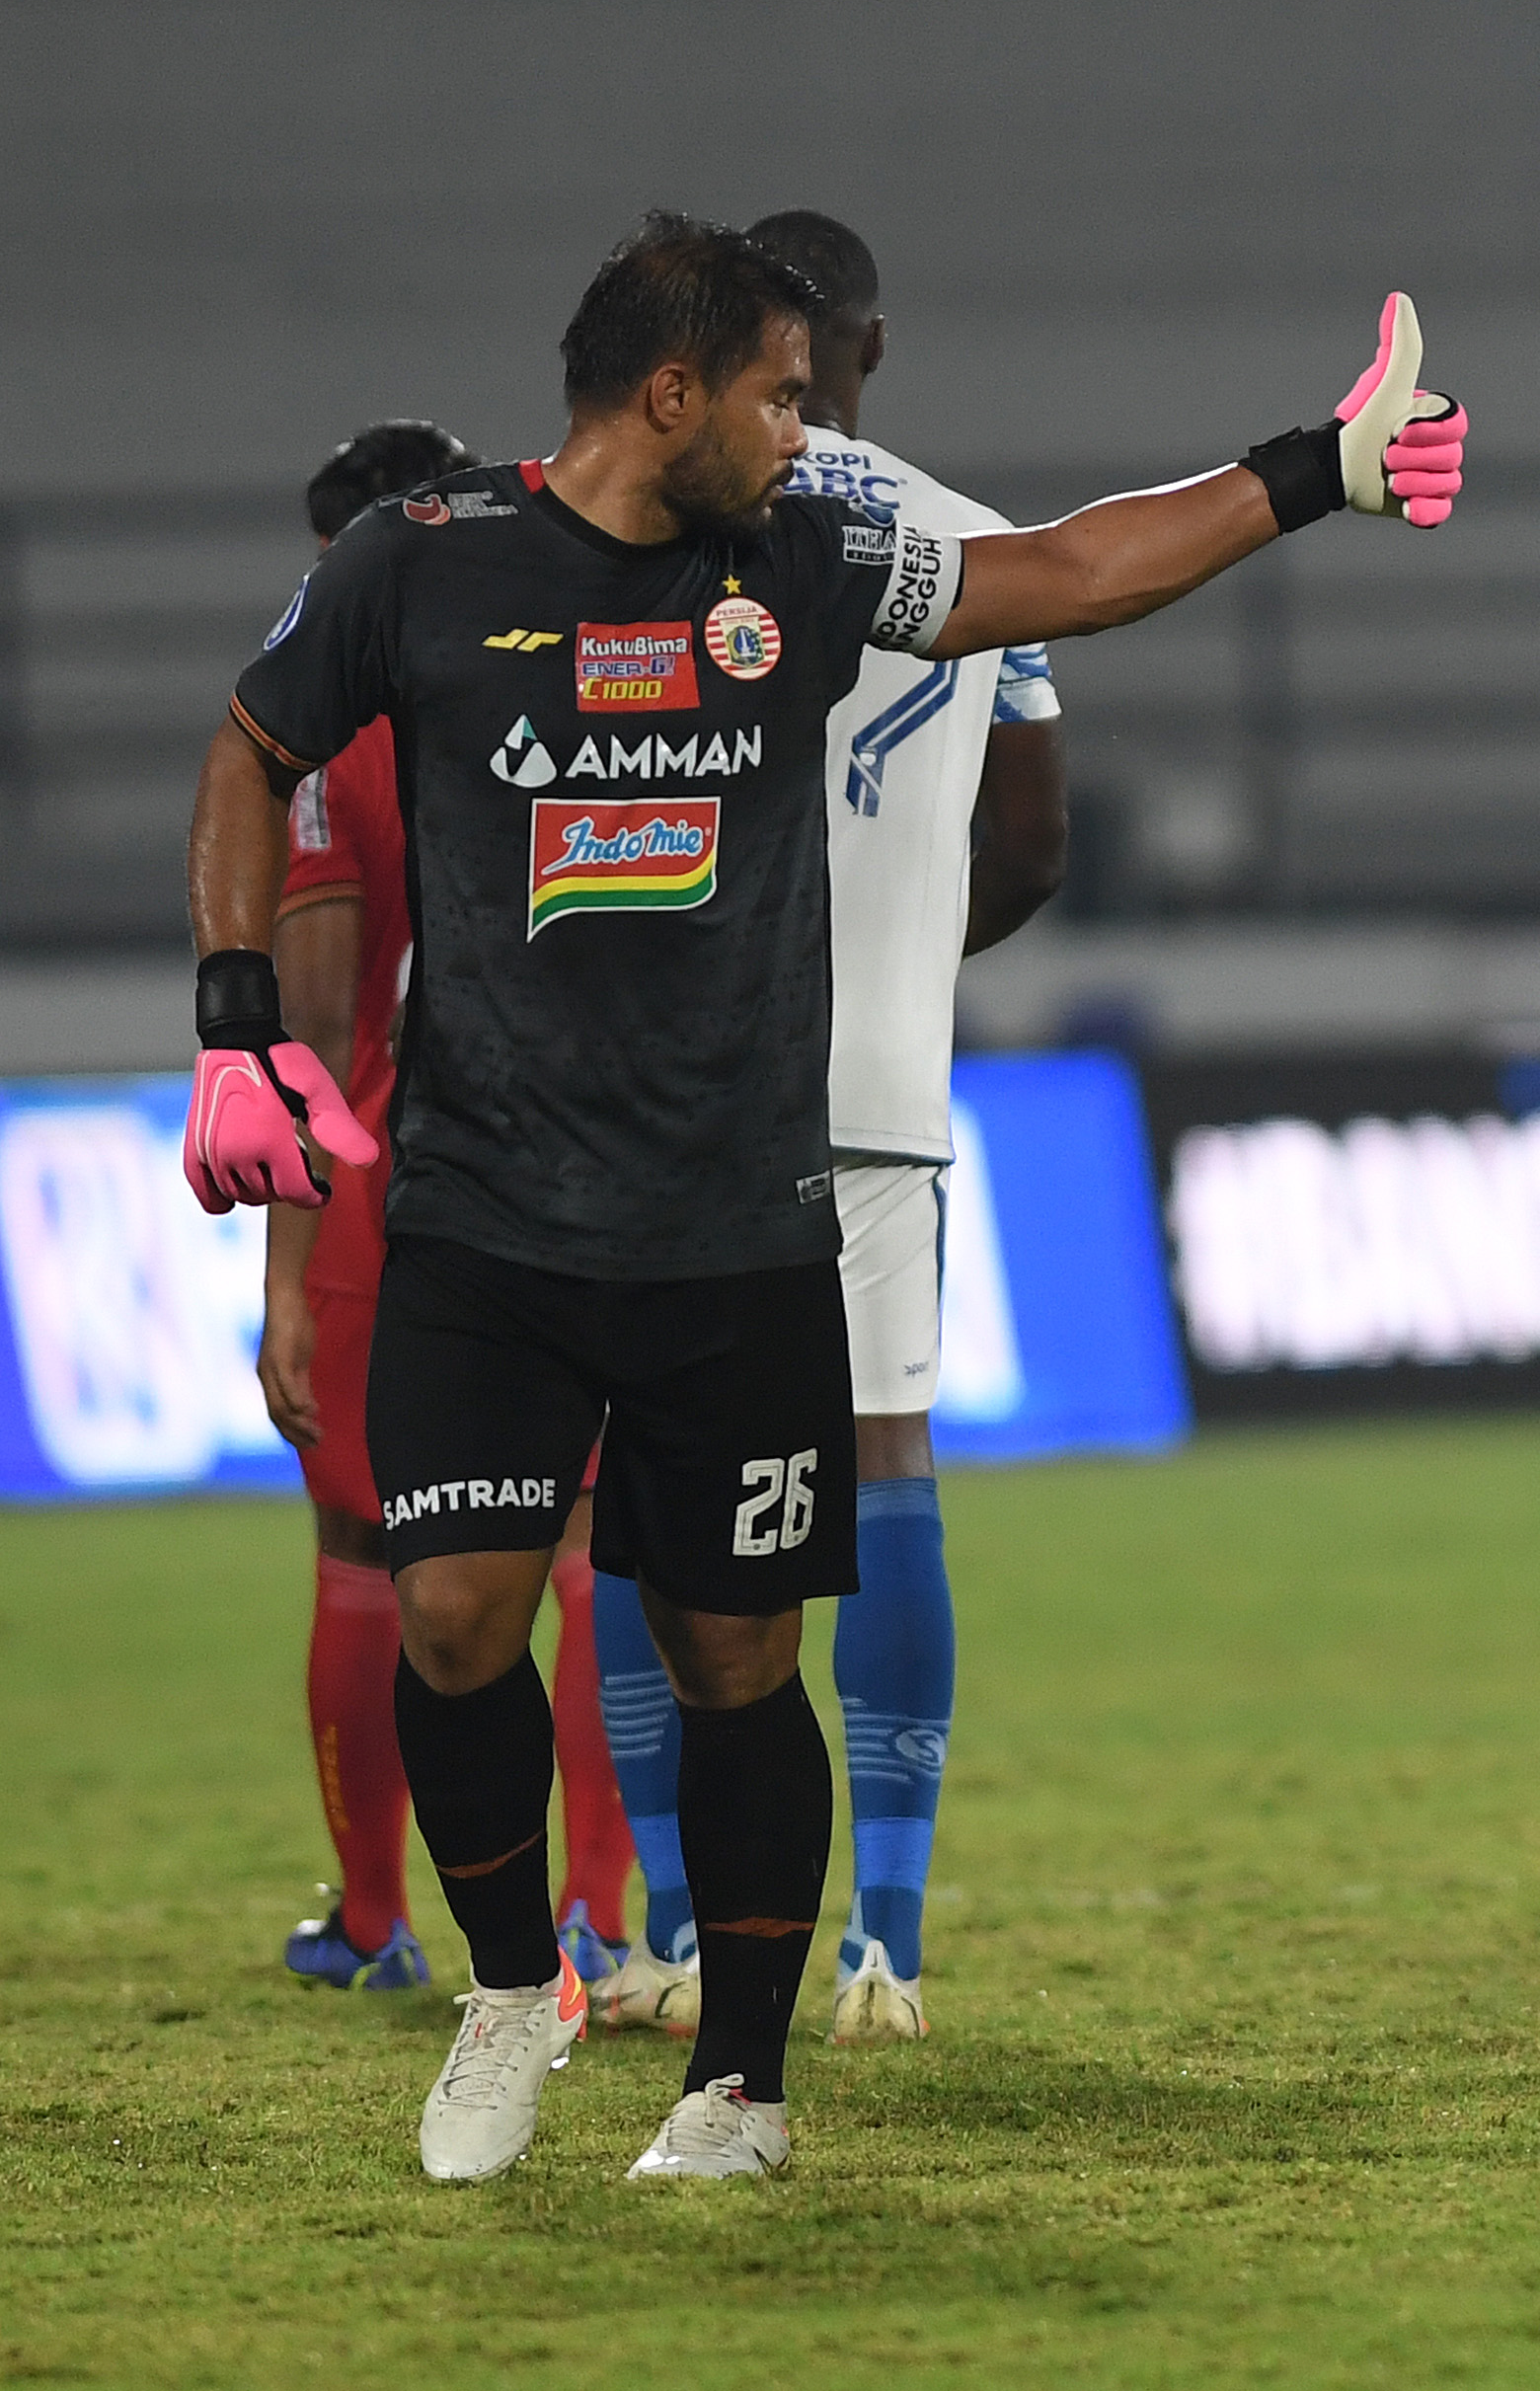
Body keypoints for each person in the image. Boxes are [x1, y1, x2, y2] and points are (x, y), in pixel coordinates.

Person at [185, 211, 1465, 2183]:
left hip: (736, 1220)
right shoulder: (421, 564)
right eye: (779, 396)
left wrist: (1318, 466)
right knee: (450, 1613)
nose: (807, 431)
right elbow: (252, 746)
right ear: (666, 392)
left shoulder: (807, 554)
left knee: (735, 1657)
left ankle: (743, 2088)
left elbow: (1077, 569)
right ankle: (512, 1981)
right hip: (484, 1214)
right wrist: (232, 1018)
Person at [577, 210, 1071, 2051]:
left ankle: (679, 1924)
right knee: (884, 1468)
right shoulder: (972, 541)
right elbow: (1031, 845)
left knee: (649, 1497)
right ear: (877, 339)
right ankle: (891, 1945)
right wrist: (898, 968)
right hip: (877, 1092)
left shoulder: (682, 521)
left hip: (681, 1084)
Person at [262, 420, 636, 1996]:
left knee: (370, 1555)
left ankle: (371, 1924)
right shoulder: (562, 674)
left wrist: (288, 1281)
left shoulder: (327, 745)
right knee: (584, 1548)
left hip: (394, 1193)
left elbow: (316, 1027)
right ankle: (594, 1918)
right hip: (585, 1166)